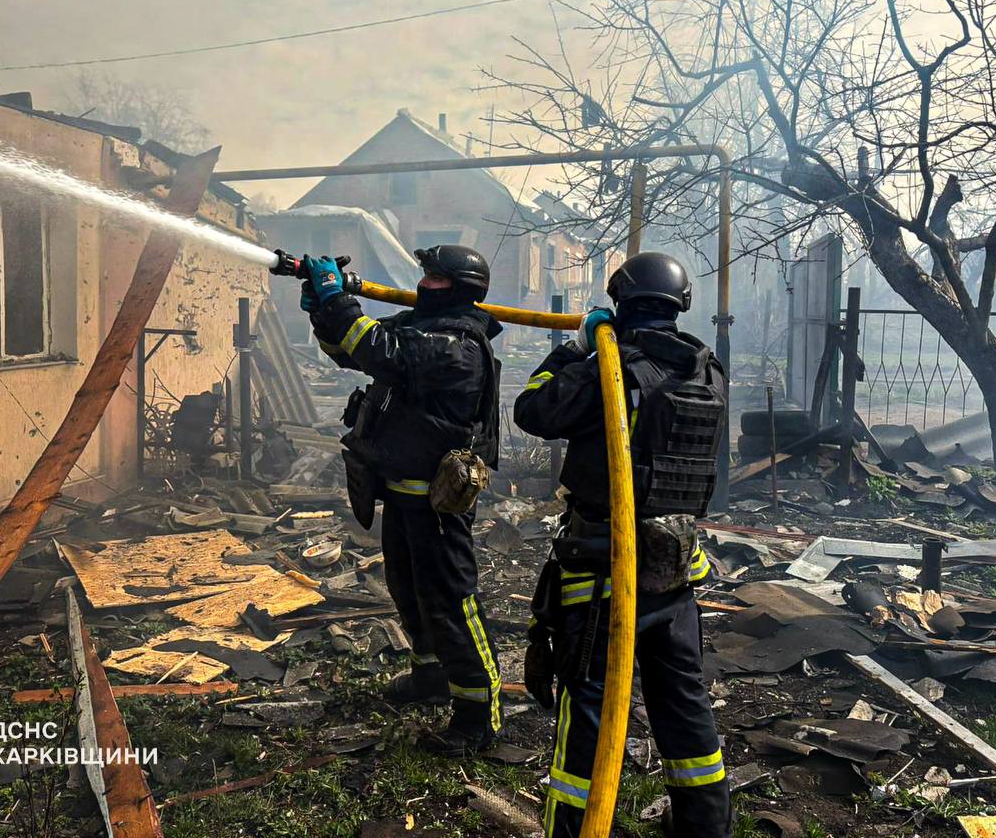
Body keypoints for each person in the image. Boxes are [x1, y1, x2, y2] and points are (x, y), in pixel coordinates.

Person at [513, 251, 730, 838]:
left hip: (606, 572)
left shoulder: (612, 367)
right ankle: (706, 828)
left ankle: (575, 829)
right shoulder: (707, 370)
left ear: (620, 303)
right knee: (685, 706)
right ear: (680, 304)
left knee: (586, 714)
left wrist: (578, 346)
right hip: (678, 568)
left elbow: (531, 409)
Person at [299, 245, 504, 754]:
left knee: (453, 603)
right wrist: (324, 311)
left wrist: (337, 299)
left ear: (458, 287)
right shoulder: (419, 328)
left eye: (434, 277)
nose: (424, 283)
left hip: (436, 504)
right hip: (401, 492)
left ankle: (479, 713)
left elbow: (376, 347)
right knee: (408, 592)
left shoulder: (456, 344)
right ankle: (430, 678)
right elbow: (350, 350)